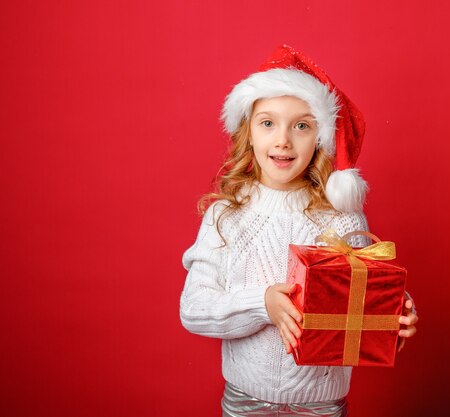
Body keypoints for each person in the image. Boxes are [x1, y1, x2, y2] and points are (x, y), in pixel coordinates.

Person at [179, 45, 418, 417]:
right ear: (248, 132)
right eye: (268, 122)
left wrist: (390, 318)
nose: (283, 140)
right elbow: (194, 309)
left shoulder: (342, 220)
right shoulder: (225, 216)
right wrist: (263, 305)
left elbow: (360, 302)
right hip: (246, 401)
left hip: (321, 405)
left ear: (321, 138)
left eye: (302, 125)